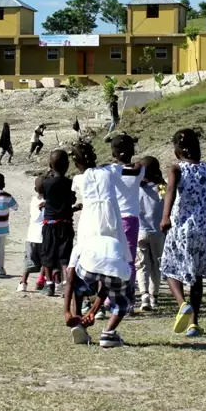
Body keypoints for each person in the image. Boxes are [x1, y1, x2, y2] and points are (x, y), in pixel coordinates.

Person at [64, 141, 132, 348]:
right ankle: (108, 331)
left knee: (79, 275)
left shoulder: (78, 179)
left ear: (76, 162)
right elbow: (130, 168)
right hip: (112, 229)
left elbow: (70, 275)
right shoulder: (110, 171)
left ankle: (77, 318)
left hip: (89, 227)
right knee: (114, 277)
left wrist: (67, 310)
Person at [160, 128, 206, 337]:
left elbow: (170, 191)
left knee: (169, 268)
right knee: (197, 276)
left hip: (180, 226)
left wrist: (165, 216)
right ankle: (194, 323)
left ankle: (182, 303)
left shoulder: (176, 169)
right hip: (202, 228)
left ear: (177, 150)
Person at [104, 134, 145, 309]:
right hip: (131, 219)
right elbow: (137, 168)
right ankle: (129, 299)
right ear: (132, 151)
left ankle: (108, 297)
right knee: (129, 260)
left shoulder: (109, 170)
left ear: (113, 153)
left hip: (112, 218)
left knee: (110, 258)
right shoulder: (140, 170)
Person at [40, 150, 77, 298]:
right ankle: (66, 284)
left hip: (49, 223)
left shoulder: (46, 183)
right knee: (65, 256)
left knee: (47, 255)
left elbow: (46, 197)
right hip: (66, 223)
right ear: (67, 165)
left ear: (50, 165)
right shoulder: (70, 183)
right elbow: (72, 200)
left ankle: (49, 285)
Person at [136, 156, 165, 312]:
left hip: (140, 231)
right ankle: (154, 296)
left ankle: (144, 295)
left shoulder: (137, 187)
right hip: (158, 233)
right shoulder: (161, 188)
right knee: (156, 265)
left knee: (141, 265)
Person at [18, 184, 45, 292]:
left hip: (31, 236)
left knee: (28, 260)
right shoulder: (50, 201)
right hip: (44, 236)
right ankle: (40, 281)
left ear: (35, 189)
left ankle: (23, 283)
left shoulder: (33, 200)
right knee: (45, 261)